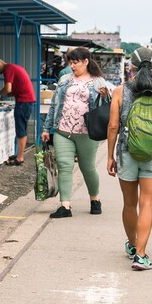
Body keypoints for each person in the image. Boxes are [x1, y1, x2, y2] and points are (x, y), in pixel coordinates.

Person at [107, 47, 152, 271]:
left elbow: (113, 126)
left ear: (131, 68)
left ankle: (133, 245)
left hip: (126, 153)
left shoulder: (119, 91)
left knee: (129, 203)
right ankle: (141, 256)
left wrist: (110, 156)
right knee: (147, 204)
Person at [41, 48, 111, 218]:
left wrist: (105, 95)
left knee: (88, 168)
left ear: (86, 61)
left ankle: (95, 199)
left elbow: (107, 107)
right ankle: (65, 205)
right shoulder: (65, 79)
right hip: (63, 130)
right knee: (65, 166)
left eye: (75, 62)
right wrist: (46, 128)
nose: (72, 66)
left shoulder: (98, 81)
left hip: (87, 132)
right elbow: (54, 105)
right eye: (70, 63)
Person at [0, 57, 37, 166]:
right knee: (22, 127)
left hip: (24, 101)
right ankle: (19, 154)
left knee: (20, 129)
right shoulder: (13, 67)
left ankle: (19, 158)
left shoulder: (8, 69)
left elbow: (8, 89)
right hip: (27, 100)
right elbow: (13, 90)